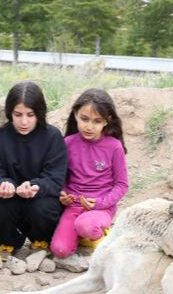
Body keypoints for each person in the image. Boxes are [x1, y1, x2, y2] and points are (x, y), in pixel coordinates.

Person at [0, 81, 68, 257]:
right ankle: (9, 241)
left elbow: (56, 178)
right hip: (10, 201)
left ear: (39, 113)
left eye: (30, 115)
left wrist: (36, 186)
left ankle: (41, 240)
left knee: (43, 206)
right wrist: (3, 184)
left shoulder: (52, 136)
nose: (24, 121)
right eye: (18, 114)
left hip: (39, 200)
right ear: (9, 113)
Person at [50, 88, 128, 258]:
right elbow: (60, 177)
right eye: (84, 119)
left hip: (102, 208)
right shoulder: (67, 143)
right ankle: (84, 235)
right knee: (60, 250)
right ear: (76, 114)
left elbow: (122, 184)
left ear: (107, 121)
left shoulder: (114, 146)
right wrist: (62, 193)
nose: (89, 126)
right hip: (74, 206)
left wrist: (100, 203)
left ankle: (100, 236)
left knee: (86, 225)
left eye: (97, 121)